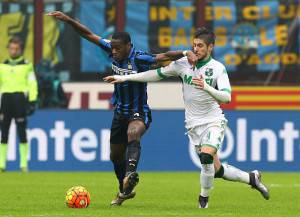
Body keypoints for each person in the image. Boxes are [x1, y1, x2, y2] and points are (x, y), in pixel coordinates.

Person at [104, 27, 270, 208]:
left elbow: (227, 97)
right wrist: (125, 79)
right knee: (216, 170)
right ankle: (252, 178)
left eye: (200, 46)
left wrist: (207, 87)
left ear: (210, 47)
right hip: (193, 124)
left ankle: (203, 202)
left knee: (206, 157)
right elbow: (155, 75)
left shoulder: (217, 68)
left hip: (214, 120)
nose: (196, 49)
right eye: (194, 45)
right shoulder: (183, 64)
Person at [47, 11, 198, 206]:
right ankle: (124, 189)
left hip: (139, 111)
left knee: (133, 132)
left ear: (128, 46)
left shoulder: (140, 58)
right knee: (115, 155)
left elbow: (164, 56)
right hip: (120, 112)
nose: (114, 51)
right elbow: (88, 34)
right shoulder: (112, 47)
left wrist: (186, 52)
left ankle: (130, 173)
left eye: (118, 48)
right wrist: (68, 20)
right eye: (113, 47)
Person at [0, 36, 38, 172]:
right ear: (8, 49)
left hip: (20, 99)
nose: (13, 51)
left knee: (21, 131)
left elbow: (32, 83)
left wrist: (32, 100)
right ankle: (1, 164)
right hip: (5, 100)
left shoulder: (27, 66)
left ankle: (23, 164)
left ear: (20, 50)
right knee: (3, 131)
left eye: (16, 49)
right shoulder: (2, 66)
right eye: (11, 48)